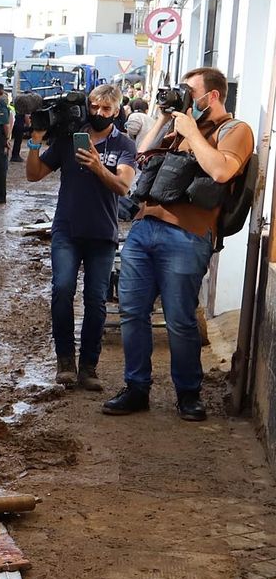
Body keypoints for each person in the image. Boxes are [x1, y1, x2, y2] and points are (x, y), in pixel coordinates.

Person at [104, 67, 253, 421]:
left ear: (211, 96)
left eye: (189, 91)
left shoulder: (236, 130)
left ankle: (188, 394)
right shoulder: (182, 128)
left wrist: (191, 132)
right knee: (132, 312)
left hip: (187, 235)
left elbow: (221, 172)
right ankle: (136, 388)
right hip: (144, 229)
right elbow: (141, 156)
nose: (184, 97)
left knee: (180, 320)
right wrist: (164, 120)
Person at [26, 85, 138, 389]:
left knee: (96, 301)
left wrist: (99, 167)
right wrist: (35, 142)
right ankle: (65, 362)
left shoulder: (124, 145)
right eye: (94, 107)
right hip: (66, 230)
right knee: (62, 291)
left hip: (102, 234)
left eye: (105, 109)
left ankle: (89, 367)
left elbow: (123, 187)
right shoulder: (68, 139)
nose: (98, 113)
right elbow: (34, 175)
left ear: (116, 111)